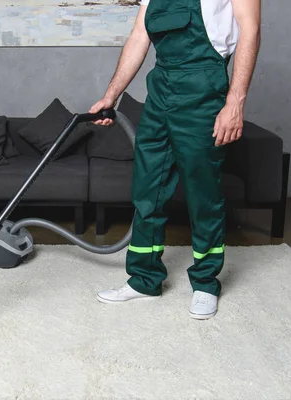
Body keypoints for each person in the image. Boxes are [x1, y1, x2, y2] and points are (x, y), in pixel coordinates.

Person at [89, 0, 261, 319]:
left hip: (204, 92)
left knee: (203, 194)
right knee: (147, 190)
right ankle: (144, 278)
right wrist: (111, 95)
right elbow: (139, 37)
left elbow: (250, 32)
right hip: (159, 94)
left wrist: (234, 103)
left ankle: (206, 283)